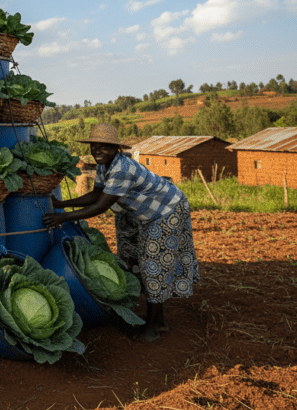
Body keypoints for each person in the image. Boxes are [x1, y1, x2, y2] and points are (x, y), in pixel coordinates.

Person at [42, 124, 200, 343]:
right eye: (94, 146)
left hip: (168, 211)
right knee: (144, 262)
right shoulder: (104, 166)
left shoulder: (122, 168)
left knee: (153, 265)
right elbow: (96, 195)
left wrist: (64, 216)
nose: (97, 151)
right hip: (149, 214)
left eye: (104, 147)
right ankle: (157, 319)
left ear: (115, 149)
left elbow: (101, 206)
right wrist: (62, 204)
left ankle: (153, 327)